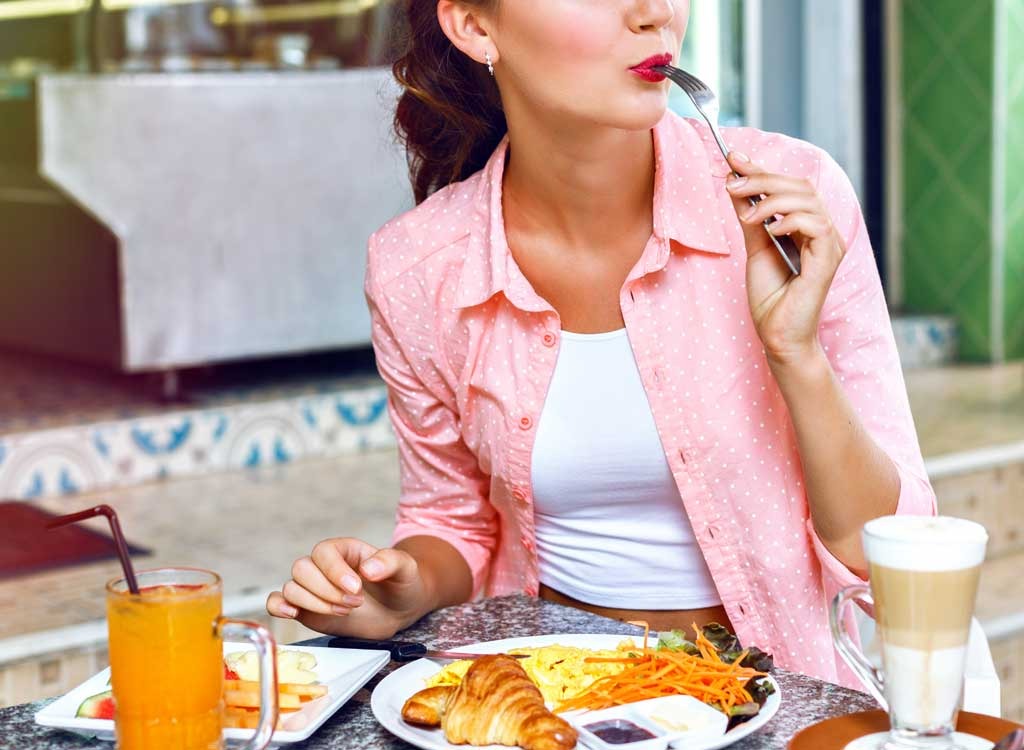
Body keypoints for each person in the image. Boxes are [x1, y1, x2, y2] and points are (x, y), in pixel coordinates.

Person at [267, 0, 935, 687]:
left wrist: (797, 357)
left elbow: (889, 559)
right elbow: (451, 519)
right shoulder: (420, 266)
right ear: (475, 26)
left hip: (775, 704)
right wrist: (402, 586)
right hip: (547, 701)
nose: (656, 13)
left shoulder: (794, 201)